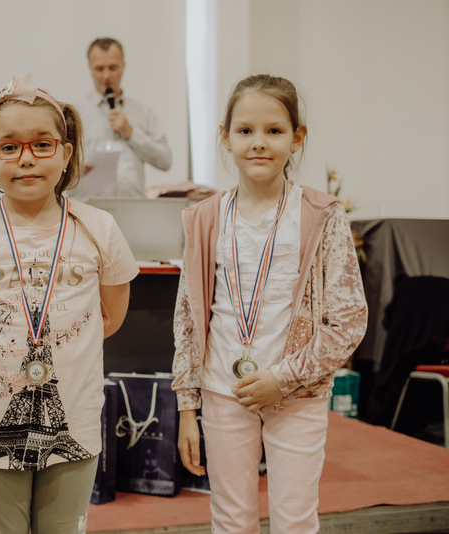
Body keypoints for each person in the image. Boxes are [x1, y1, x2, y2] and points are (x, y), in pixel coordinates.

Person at [0, 72, 140, 533]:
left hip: (74, 414)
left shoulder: (99, 228)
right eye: (9, 147)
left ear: (66, 153)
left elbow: (109, 317)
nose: (26, 158)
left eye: (42, 145)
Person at [172, 74, 368, 533]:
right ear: (226, 136)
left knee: (294, 520)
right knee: (230, 520)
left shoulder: (321, 215)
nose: (259, 142)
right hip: (222, 390)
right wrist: (186, 407)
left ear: (297, 138)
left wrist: (283, 379)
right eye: (245, 130)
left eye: (274, 130)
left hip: (295, 394)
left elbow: (348, 321)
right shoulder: (204, 218)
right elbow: (187, 318)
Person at [75, 37, 172, 198]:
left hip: (132, 207)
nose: (106, 76)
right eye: (99, 69)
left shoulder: (143, 112)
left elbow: (165, 161)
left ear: (123, 67)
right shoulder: (75, 112)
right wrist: (73, 169)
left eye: (113, 67)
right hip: (89, 206)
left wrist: (131, 134)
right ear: (90, 69)